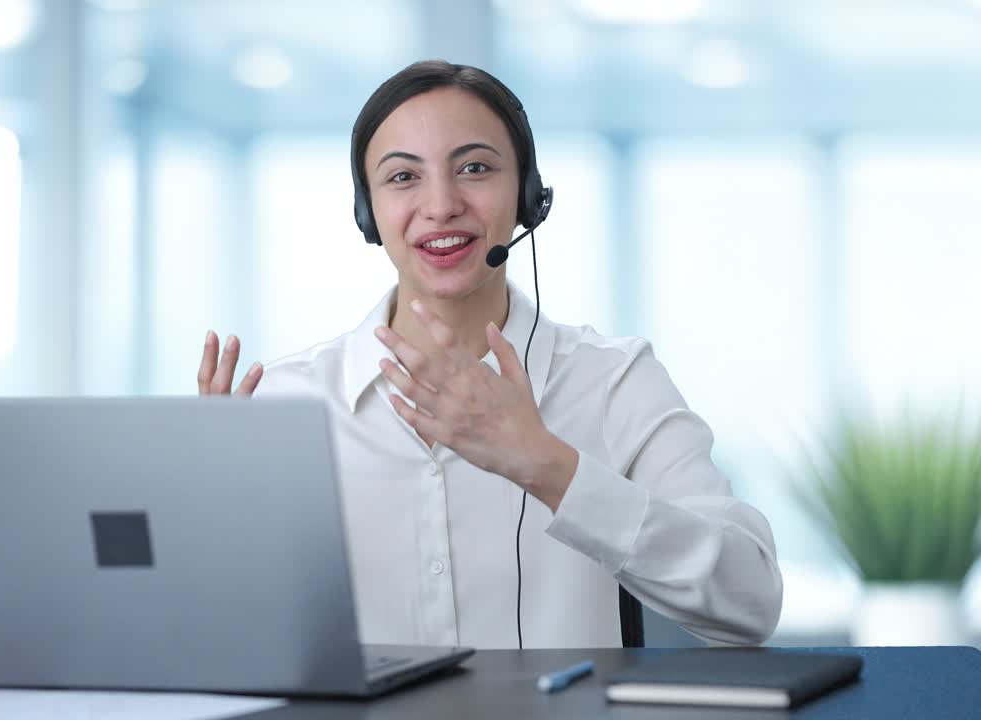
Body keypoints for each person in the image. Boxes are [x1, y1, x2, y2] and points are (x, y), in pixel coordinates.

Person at [196, 60, 783, 649]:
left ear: (528, 195)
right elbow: (220, 647)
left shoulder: (614, 382)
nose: (442, 204)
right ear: (368, 212)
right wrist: (206, 524)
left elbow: (750, 603)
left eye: (474, 168)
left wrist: (547, 466)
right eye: (403, 177)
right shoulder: (283, 404)